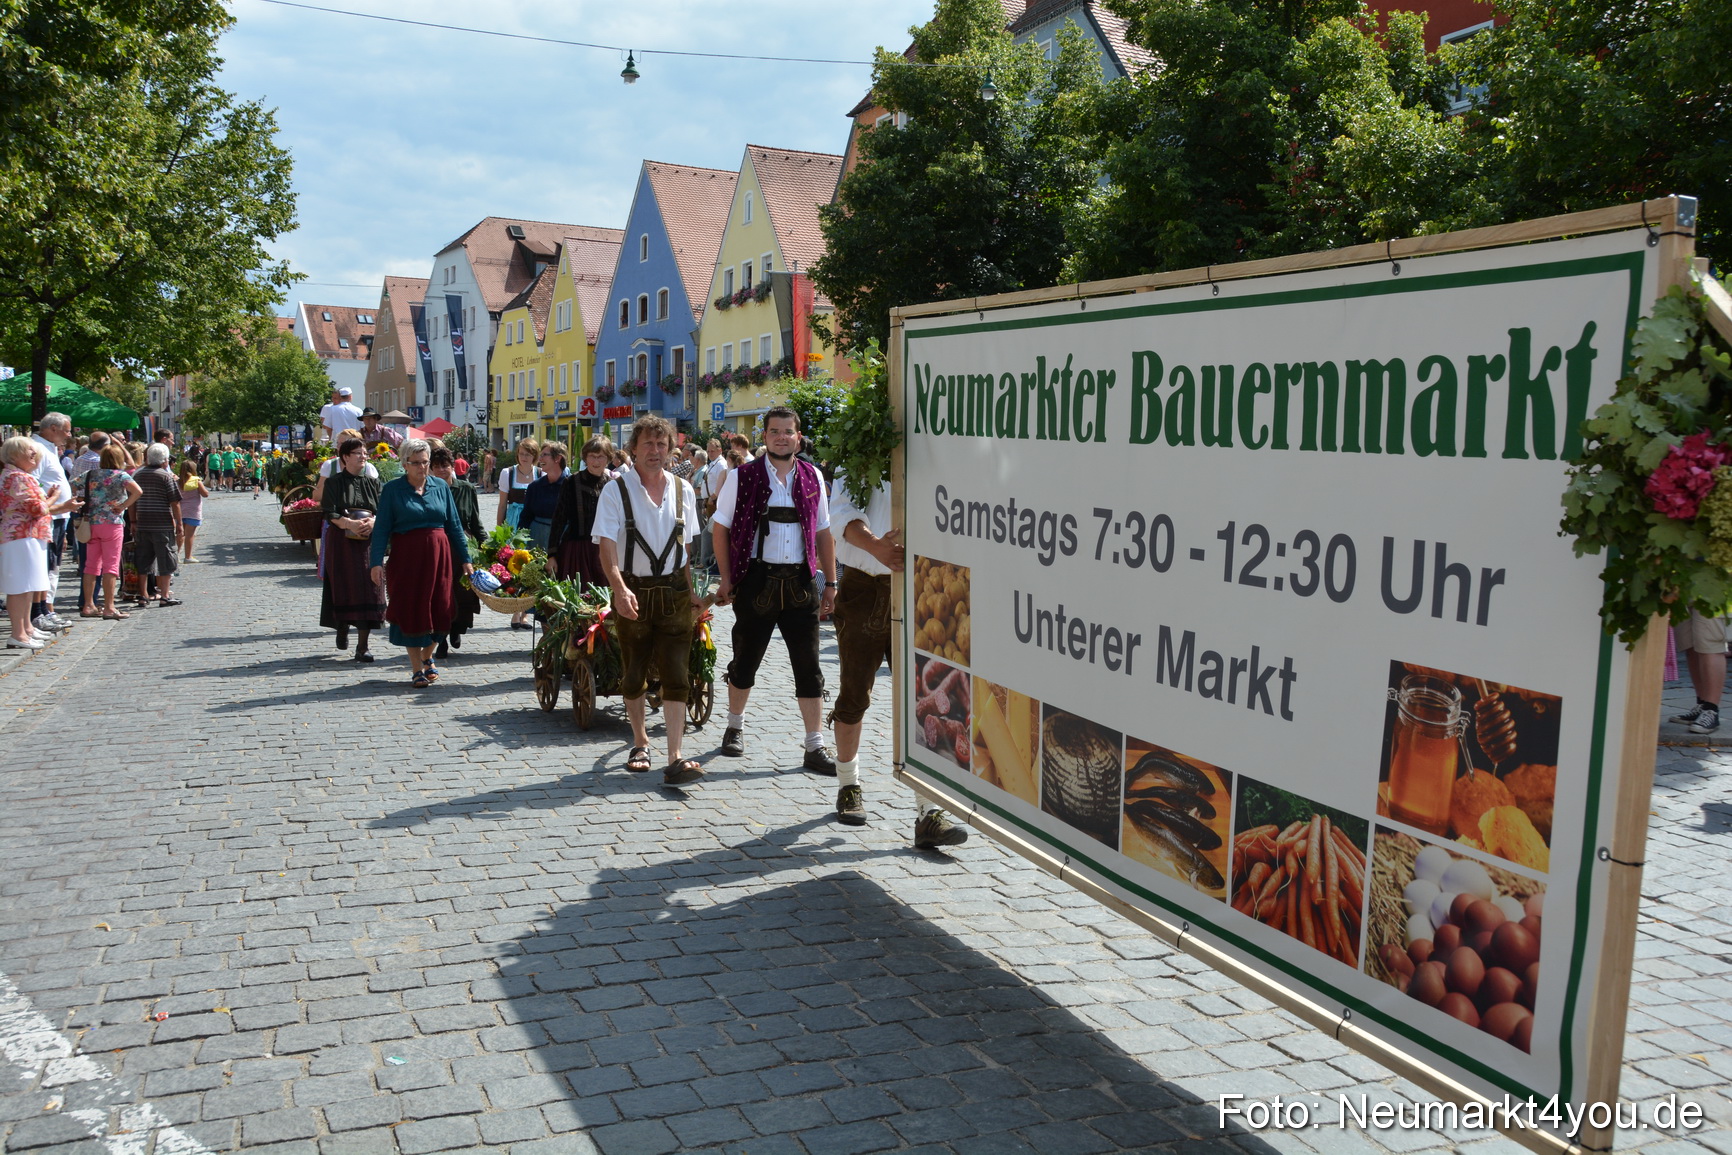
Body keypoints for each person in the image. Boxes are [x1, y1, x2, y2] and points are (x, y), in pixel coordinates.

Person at [710, 407, 837, 772]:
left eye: (788, 431)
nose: (782, 437)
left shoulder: (813, 476)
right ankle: (734, 726)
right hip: (757, 580)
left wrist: (831, 583)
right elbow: (720, 528)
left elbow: (823, 532)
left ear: (799, 437)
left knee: (809, 666)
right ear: (764, 436)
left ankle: (814, 745)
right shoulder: (742, 476)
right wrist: (726, 578)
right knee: (745, 659)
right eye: (775, 431)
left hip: (800, 583)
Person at [592, 416, 704, 785]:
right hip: (634, 590)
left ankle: (675, 755)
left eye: (661, 444)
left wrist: (691, 592)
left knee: (677, 673)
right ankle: (640, 742)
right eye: (648, 444)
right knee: (634, 671)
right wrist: (619, 588)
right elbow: (607, 546)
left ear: (670, 449)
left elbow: (685, 549)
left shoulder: (683, 490)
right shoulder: (615, 491)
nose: (655, 451)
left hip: (674, 593)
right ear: (634, 449)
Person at [369, 439, 473, 688]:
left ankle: (428, 655)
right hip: (407, 559)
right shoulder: (392, 490)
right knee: (411, 610)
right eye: (416, 463)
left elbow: (454, 526)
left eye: (425, 462)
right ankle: (417, 668)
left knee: (443, 609)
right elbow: (381, 529)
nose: (422, 467)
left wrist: (466, 559)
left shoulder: (441, 486)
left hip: (440, 558)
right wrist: (375, 562)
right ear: (405, 464)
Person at [2, 437, 80, 649]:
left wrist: (51, 500)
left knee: (28, 585)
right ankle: (19, 634)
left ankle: (26, 629)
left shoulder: (19, 475)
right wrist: (56, 498)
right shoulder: (17, 477)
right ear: (15, 454)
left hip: (28, 535)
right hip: (21, 536)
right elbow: (37, 508)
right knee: (20, 586)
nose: (34, 455)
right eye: (29, 451)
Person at [321, 438, 385, 662]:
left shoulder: (373, 483)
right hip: (342, 541)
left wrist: (374, 522)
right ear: (345, 457)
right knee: (344, 585)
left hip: (368, 541)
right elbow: (329, 512)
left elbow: (384, 510)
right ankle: (342, 625)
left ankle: (362, 647)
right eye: (358, 453)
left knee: (369, 587)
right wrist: (349, 523)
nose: (363, 456)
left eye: (365, 453)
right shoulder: (334, 482)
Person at [429, 446, 483, 659]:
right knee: (441, 594)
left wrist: (486, 545)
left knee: (463, 592)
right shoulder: (428, 489)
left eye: (445, 465)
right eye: (436, 466)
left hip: (463, 547)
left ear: (452, 466)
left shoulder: (466, 489)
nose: (441, 470)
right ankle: (441, 638)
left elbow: (475, 521)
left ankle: (457, 628)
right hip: (439, 548)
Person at [78, 445, 142, 620]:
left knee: (91, 566)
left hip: (92, 523)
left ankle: (88, 605)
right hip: (112, 523)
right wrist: (122, 506)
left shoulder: (90, 474)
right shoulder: (120, 475)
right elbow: (138, 491)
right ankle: (109, 607)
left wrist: (82, 501)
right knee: (111, 566)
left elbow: (73, 486)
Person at [548, 436, 616, 593]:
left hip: (604, 551)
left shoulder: (612, 485)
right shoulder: (571, 482)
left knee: (605, 598)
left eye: (601, 456)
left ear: (608, 458)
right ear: (585, 457)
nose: (596, 461)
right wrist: (551, 555)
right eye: (592, 456)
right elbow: (558, 519)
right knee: (577, 597)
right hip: (577, 550)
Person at [30, 413, 75, 633]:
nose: (69, 435)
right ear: (54, 428)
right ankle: (38, 612)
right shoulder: (37, 448)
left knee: (51, 566)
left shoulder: (49, 448)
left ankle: (45, 610)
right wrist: (55, 503)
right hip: (48, 516)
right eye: (67, 430)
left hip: (57, 516)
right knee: (44, 566)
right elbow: (34, 484)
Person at [495, 437, 542, 629]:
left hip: (533, 523)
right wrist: (499, 532)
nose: (524, 457)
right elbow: (502, 504)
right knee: (515, 566)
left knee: (532, 566)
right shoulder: (508, 473)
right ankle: (516, 610)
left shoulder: (540, 473)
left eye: (528, 454)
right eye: (522, 454)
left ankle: (525, 614)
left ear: (535, 456)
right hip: (514, 523)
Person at [131, 443, 183, 606]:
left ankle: (143, 595)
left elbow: (132, 501)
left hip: (143, 523)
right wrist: (179, 524)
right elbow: (175, 502)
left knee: (143, 560)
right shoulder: (165, 476)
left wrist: (133, 521)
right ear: (164, 460)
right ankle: (165, 596)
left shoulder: (137, 475)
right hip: (162, 524)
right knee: (166, 559)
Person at [1671, 609, 1729, 733]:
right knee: (1689, 643)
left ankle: (1711, 710)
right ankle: (1702, 705)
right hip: (1683, 596)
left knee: (1710, 643)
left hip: (1710, 597)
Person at [521, 442, 567, 552]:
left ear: (558, 458)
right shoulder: (534, 487)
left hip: (563, 541)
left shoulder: (571, 486)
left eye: (544, 455)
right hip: (537, 539)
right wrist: (520, 541)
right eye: (540, 455)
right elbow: (525, 517)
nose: (539, 459)